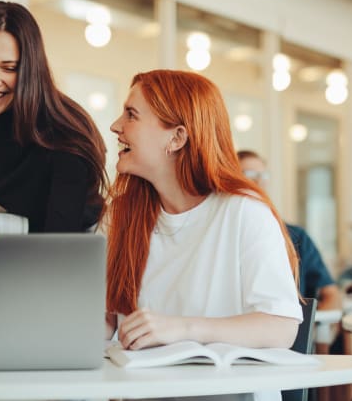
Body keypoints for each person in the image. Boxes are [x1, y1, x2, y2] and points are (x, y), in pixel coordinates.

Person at [106, 70, 301, 400]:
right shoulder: (120, 216)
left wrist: (182, 329)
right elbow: (107, 322)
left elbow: (281, 326)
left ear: (177, 138)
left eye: (131, 115)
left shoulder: (244, 211)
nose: (115, 126)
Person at [0, 1, 107, 233]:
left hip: (70, 256)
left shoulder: (64, 138)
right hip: (19, 250)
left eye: (9, 68)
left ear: (30, 71)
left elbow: (57, 252)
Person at [237, 150, 340, 311]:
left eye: (264, 175)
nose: (258, 181)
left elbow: (331, 293)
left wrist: (312, 328)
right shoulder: (224, 235)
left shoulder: (296, 236)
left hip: (291, 330)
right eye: (249, 174)